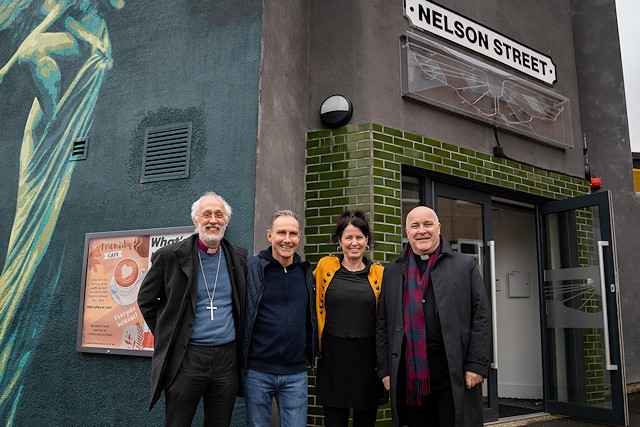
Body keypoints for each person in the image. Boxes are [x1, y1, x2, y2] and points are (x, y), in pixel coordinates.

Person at [137, 192, 248, 427]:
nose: (213, 220)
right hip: (187, 358)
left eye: (219, 215)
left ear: (226, 221)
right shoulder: (170, 256)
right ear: (195, 220)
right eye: (206, 214)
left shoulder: (238, 257)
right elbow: (146, 299)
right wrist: (169, 334)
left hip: (226, 361)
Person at [376, 206, 491, 427]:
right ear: (407, 231)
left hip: (453, 369)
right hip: (410, 373)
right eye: (415, 226)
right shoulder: (392, 270)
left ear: (438, 227)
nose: (422, 231)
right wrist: (385, 370)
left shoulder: (464, 265)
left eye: (428, 224)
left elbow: (481, 316)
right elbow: (383, 323)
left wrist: (476, 365)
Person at [242, 210, 318, 427]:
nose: (287, 239)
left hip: (295, 373)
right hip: (257, 371)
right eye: (281, 233)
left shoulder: (306, 273)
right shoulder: (252, 268)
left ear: (299, 237)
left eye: (292, 233)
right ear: (269, 235)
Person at [314, 210, 385, 427]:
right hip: (334, 359)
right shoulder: (325, 267)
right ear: (339, 240)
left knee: (366, 422)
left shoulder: (380, 273)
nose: (354, 243)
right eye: (348, 237)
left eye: (359, 237)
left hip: (368, 361)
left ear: (367, 240)